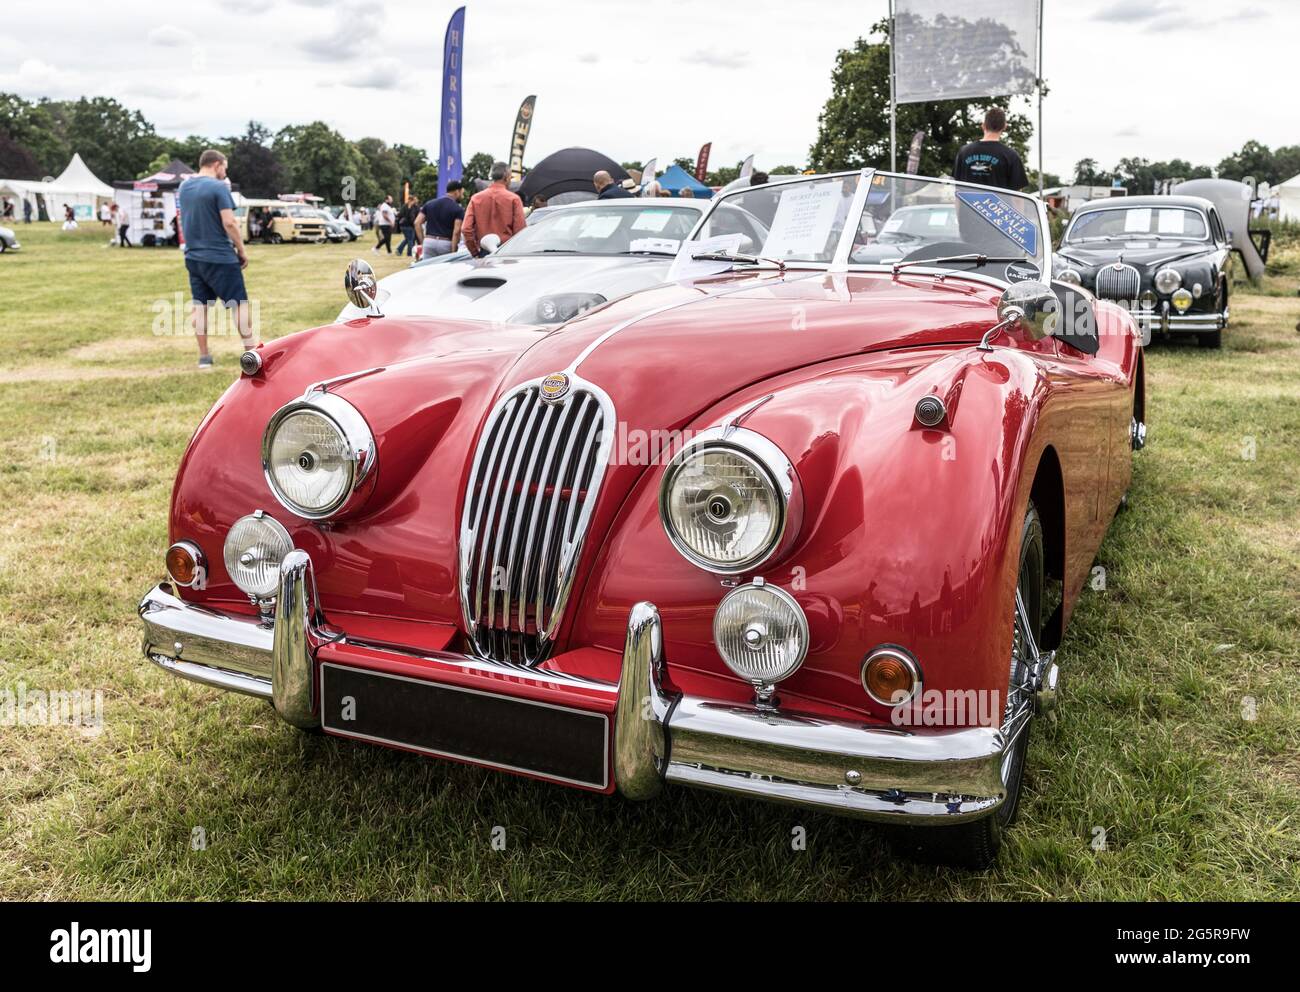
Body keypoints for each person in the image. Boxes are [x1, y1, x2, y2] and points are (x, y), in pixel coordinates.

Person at [176, 149, 257, 371]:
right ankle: (251, 352)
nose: (225, 172)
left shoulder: (184, 187)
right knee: (238, 304)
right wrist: (241, 250)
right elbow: (229, 222)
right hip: (220, 256)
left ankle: (204, 357)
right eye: (225, 167)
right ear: (217, 164)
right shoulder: (218, 187)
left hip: (193, 257)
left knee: (200, 307)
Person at [953, 107, 1028, 191]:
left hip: (967, 204)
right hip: (997, 204)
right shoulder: (1011, 156)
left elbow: (957, 189)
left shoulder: (963, 152)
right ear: (1004, 126)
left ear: (983, 125)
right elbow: (1017, 196)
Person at [462, 162, 526, 256]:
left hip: (484, 251)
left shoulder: (476, 198)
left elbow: (466, 229)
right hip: (507, 251)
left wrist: (475, 252)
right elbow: (520, 231)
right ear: (507, 177)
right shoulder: (514, 199)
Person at [416, 180, 465, 257]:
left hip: (429, 241)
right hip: (445, 243)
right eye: (462, 193)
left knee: (428, 268)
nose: (463, 196)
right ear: (456, 191)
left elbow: (417, 222)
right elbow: (457, 231)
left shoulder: (429, 204)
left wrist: (423, 242)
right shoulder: (458, 209)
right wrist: (453, 251)